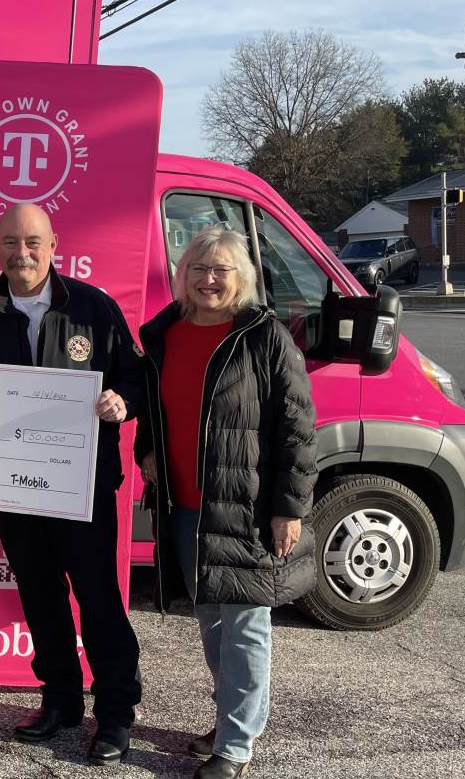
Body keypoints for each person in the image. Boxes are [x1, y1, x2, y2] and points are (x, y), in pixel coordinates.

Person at [0, 203, 143, 765]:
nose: (22, 253)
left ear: (54, 245)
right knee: (40, 598)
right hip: (14, 490)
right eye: (11, 242)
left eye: (33, 241)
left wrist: (122, 401)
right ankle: (60, 699)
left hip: (81, 488)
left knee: (98, 599)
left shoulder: (94, 308)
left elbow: (135, 375)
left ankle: (115, 714)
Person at [135, 227, 317, 779]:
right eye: (199, 268)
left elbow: (297, 428)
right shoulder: (165, 333)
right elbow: (157, 407)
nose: (209, 279)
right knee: (212, 622)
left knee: (245, 627)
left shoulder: (264, 337)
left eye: (221, 270)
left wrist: (290, 508)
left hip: (247, 509)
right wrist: (147, 451)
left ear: (242, 278)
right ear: (182, 274)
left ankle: (236, 745)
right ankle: (232, 720)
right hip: (185, 507)